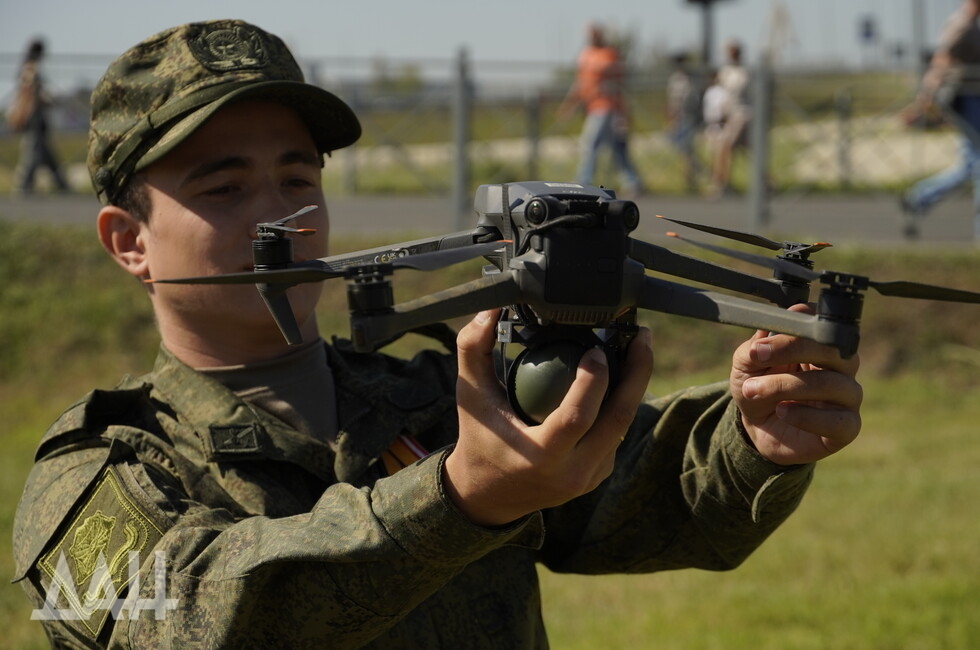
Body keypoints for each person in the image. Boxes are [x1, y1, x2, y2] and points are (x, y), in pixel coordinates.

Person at [12, 19, 863, 648]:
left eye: (297, 178)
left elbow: (651, 495)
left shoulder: (438, 400)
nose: (279, 218)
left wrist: (758, 433)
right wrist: (456, 499)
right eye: (224, 189)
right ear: (129, 241)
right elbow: (201, 621)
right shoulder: (98, 471)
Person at [899, 0, 980, 242]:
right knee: (977, 163)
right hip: (966, 101)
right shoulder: (962, 25)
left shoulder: (971, 23)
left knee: (971, 164)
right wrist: (924, 100)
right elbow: (941, 61)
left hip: (972, 100)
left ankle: (919, 197)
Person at [560, 22, 644, 196]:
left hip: (606, 107)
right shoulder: (585, 55)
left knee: (590, 143)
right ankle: (633, 180)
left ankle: (583, 180)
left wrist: (624, 112)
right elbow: (580, 84)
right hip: (591, 107)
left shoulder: (609, 55)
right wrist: (569, 104)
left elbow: (615, 83)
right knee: (616, 147)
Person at [6, 38, 69, 195]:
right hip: (33, 117)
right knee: (33, 153)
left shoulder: (28, 67)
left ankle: (62, 185)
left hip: (37, 117)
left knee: (45, 153)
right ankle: (23, 186)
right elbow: (31, 92)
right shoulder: (30, 68)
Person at [708, 40, 752, 199]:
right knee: (748, 150)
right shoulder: (725, 71)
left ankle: (720, 184)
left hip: (743, 114)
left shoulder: (744, 72)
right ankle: (766, 182)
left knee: (725, 147)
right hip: (730, 114)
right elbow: (722, 95)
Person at [665, 51, 703, 193]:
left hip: (690, 115)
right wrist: (670, 115)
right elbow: (672, 99)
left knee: (687, 146)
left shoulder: (692, 78)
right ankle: (695, 170)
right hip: (678, 116)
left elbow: (694, 98)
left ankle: (690, 177)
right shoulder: (675, 79)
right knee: (678, 145)